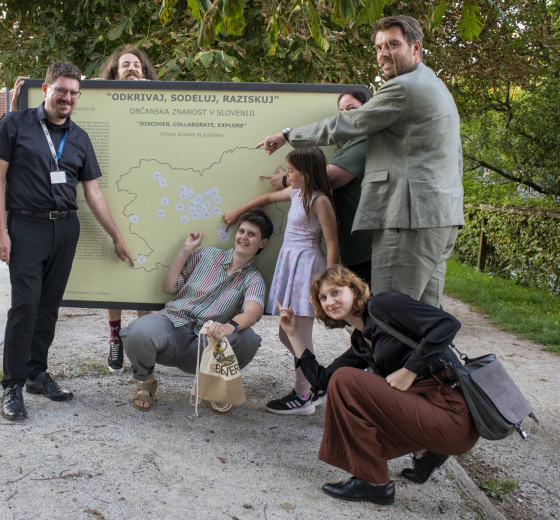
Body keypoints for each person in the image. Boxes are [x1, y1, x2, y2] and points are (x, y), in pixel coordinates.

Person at [257, 15, 464, 308]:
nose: (383, 54)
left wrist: (289, 135)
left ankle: (388, 356)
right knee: (425, 316)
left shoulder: (404, 88)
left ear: (415, 47)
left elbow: (347, 124)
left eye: (393, 44)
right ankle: (436, 357)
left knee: (392, 311)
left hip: (408, 219)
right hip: (438, 216)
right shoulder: (435, 85)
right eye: (379, 47)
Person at [0, 61, 133, 421]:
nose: (67, 97)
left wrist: (116, 235)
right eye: (61, 90)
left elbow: (93, 193)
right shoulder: (15, 124)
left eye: (73, 93)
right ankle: (12, 386)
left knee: (49, 307)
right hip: (26, 229)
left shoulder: (79, 137)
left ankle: (36, 373)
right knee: (24, 307)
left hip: (66, 229)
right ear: (46, 89)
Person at [275, 265, 478, 505]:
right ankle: (428, 452)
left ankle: (373, 482)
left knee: (346, 380)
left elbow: (447, 324)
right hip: (431, 418)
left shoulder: (384, 305)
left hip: (453, 414)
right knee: (341, 382)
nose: (330, 301)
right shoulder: (361, 342)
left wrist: (409, 370)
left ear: (353, 290)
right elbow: (322, 382)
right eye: (323, 298)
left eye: (335, 292)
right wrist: (293, 334)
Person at [223, 147, 338, 415]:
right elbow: (267, 197)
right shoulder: (297, 193)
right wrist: (239, 210)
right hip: (291, 264)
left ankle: (304, 394)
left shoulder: (319, 201)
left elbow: (332, 243)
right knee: (287, 333)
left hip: (307, 266)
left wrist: (330, 284)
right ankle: (315, 383)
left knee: (297, 333)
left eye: (291, 171)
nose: (286, 175)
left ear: (307, 174)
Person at [121, 209, 274, 412]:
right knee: (136, 333)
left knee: (249, 340)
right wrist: (185, 250)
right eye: (241, 231)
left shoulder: (253, 278)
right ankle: (146, 380)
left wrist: (230, 326)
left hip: (205, 343)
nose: (243, 237)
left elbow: (252, 312)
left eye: (251, 234)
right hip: (173, 324)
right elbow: (168, 288)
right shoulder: (206, 255)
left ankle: (216, 385)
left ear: (263, 243)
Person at [264, 88, 374, 285]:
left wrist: (285, 180)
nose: (345, 116)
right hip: (353, 243)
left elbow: (329, 178)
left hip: (365, 247)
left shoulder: (365, 141)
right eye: (341, 111)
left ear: (368, 109)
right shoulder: (350, 143)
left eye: (352, 108)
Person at [97, 44, 158, 373]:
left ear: (145, 71)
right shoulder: (103, 98)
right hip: (113, 191)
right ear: (115, 72)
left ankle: (141, 346)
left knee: (143, 271)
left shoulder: (159, 98)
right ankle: (115, 339)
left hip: (149, 192)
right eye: (125, 65)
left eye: (136, 65)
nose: (132, 68)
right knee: (114, 272)